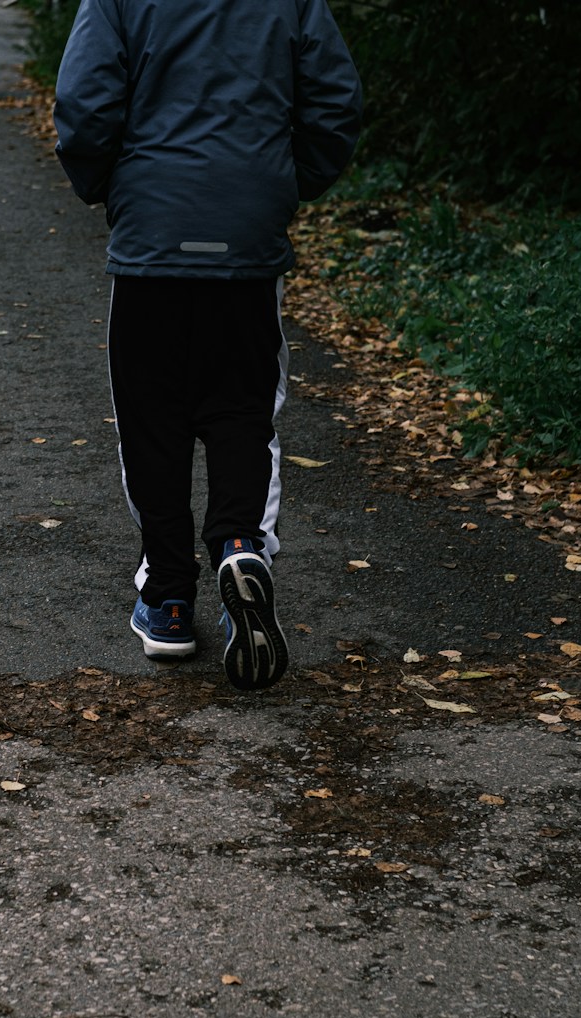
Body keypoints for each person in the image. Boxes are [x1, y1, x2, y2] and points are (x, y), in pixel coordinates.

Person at [52, 0, 362, 690]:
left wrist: (109, 186)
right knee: (242, 407)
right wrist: (276, 186)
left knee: (149, 417)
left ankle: (166, 599)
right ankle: (240, 544)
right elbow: (336, 104)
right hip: (246, 237)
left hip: (151, 241)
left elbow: (83, 104)